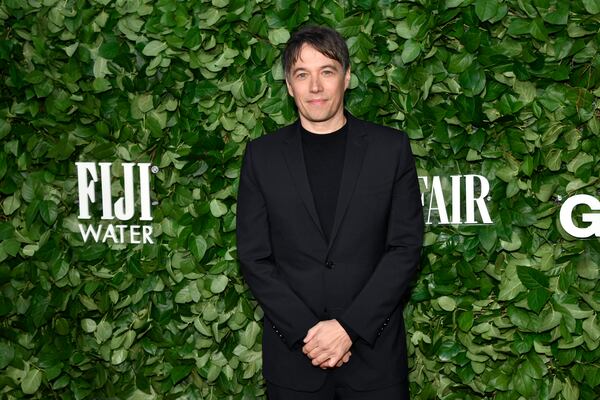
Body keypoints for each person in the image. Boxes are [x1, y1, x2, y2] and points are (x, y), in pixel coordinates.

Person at [236, 25, 424, 399]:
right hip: (295, 362)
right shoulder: (262, 156)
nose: (315, 87)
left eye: (327, 71)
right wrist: (310, 333)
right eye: (302, 74)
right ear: (289, 85)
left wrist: (348, 328)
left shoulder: (390, 149)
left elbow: (404, 248)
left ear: (347, 77)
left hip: (374, 362)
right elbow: (255, 257)